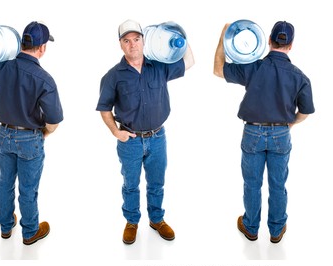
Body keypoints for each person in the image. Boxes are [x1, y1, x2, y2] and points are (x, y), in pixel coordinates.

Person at [213, 21, 315, 243]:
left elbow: (218, 69)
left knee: (252, 183)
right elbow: (305, 112)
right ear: (291, 45)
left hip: (253, 134)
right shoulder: (300, 76)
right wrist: (290, 125)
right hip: (281, 135)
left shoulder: (253, 66)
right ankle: (276, 230)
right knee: (278, 184)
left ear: (268, 41)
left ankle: (250, 227)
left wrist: (224, 36)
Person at [96, 19, 195, 245]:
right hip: (130, 140)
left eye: (137, 39)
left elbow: (189, 60)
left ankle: (157, 219)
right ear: (121, 44)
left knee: (157, 182)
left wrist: (179, 34)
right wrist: (115, 132)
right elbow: (104, 108)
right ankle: (132, 222)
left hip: (158, 138)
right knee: (130, 184)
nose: (133, 45)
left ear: (144, 40)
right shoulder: (113, 76)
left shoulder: (159, 66)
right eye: (127, 41)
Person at [0, 21, 64, 245]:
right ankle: (30, 231)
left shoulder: (2, 66)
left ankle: (6, 227)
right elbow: (54, 121)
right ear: (42, 48)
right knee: (28, 188)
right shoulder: (45, 79)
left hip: (3, 136)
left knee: (4, 183)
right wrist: (43, 134)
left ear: (20, 41)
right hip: (29, 139)